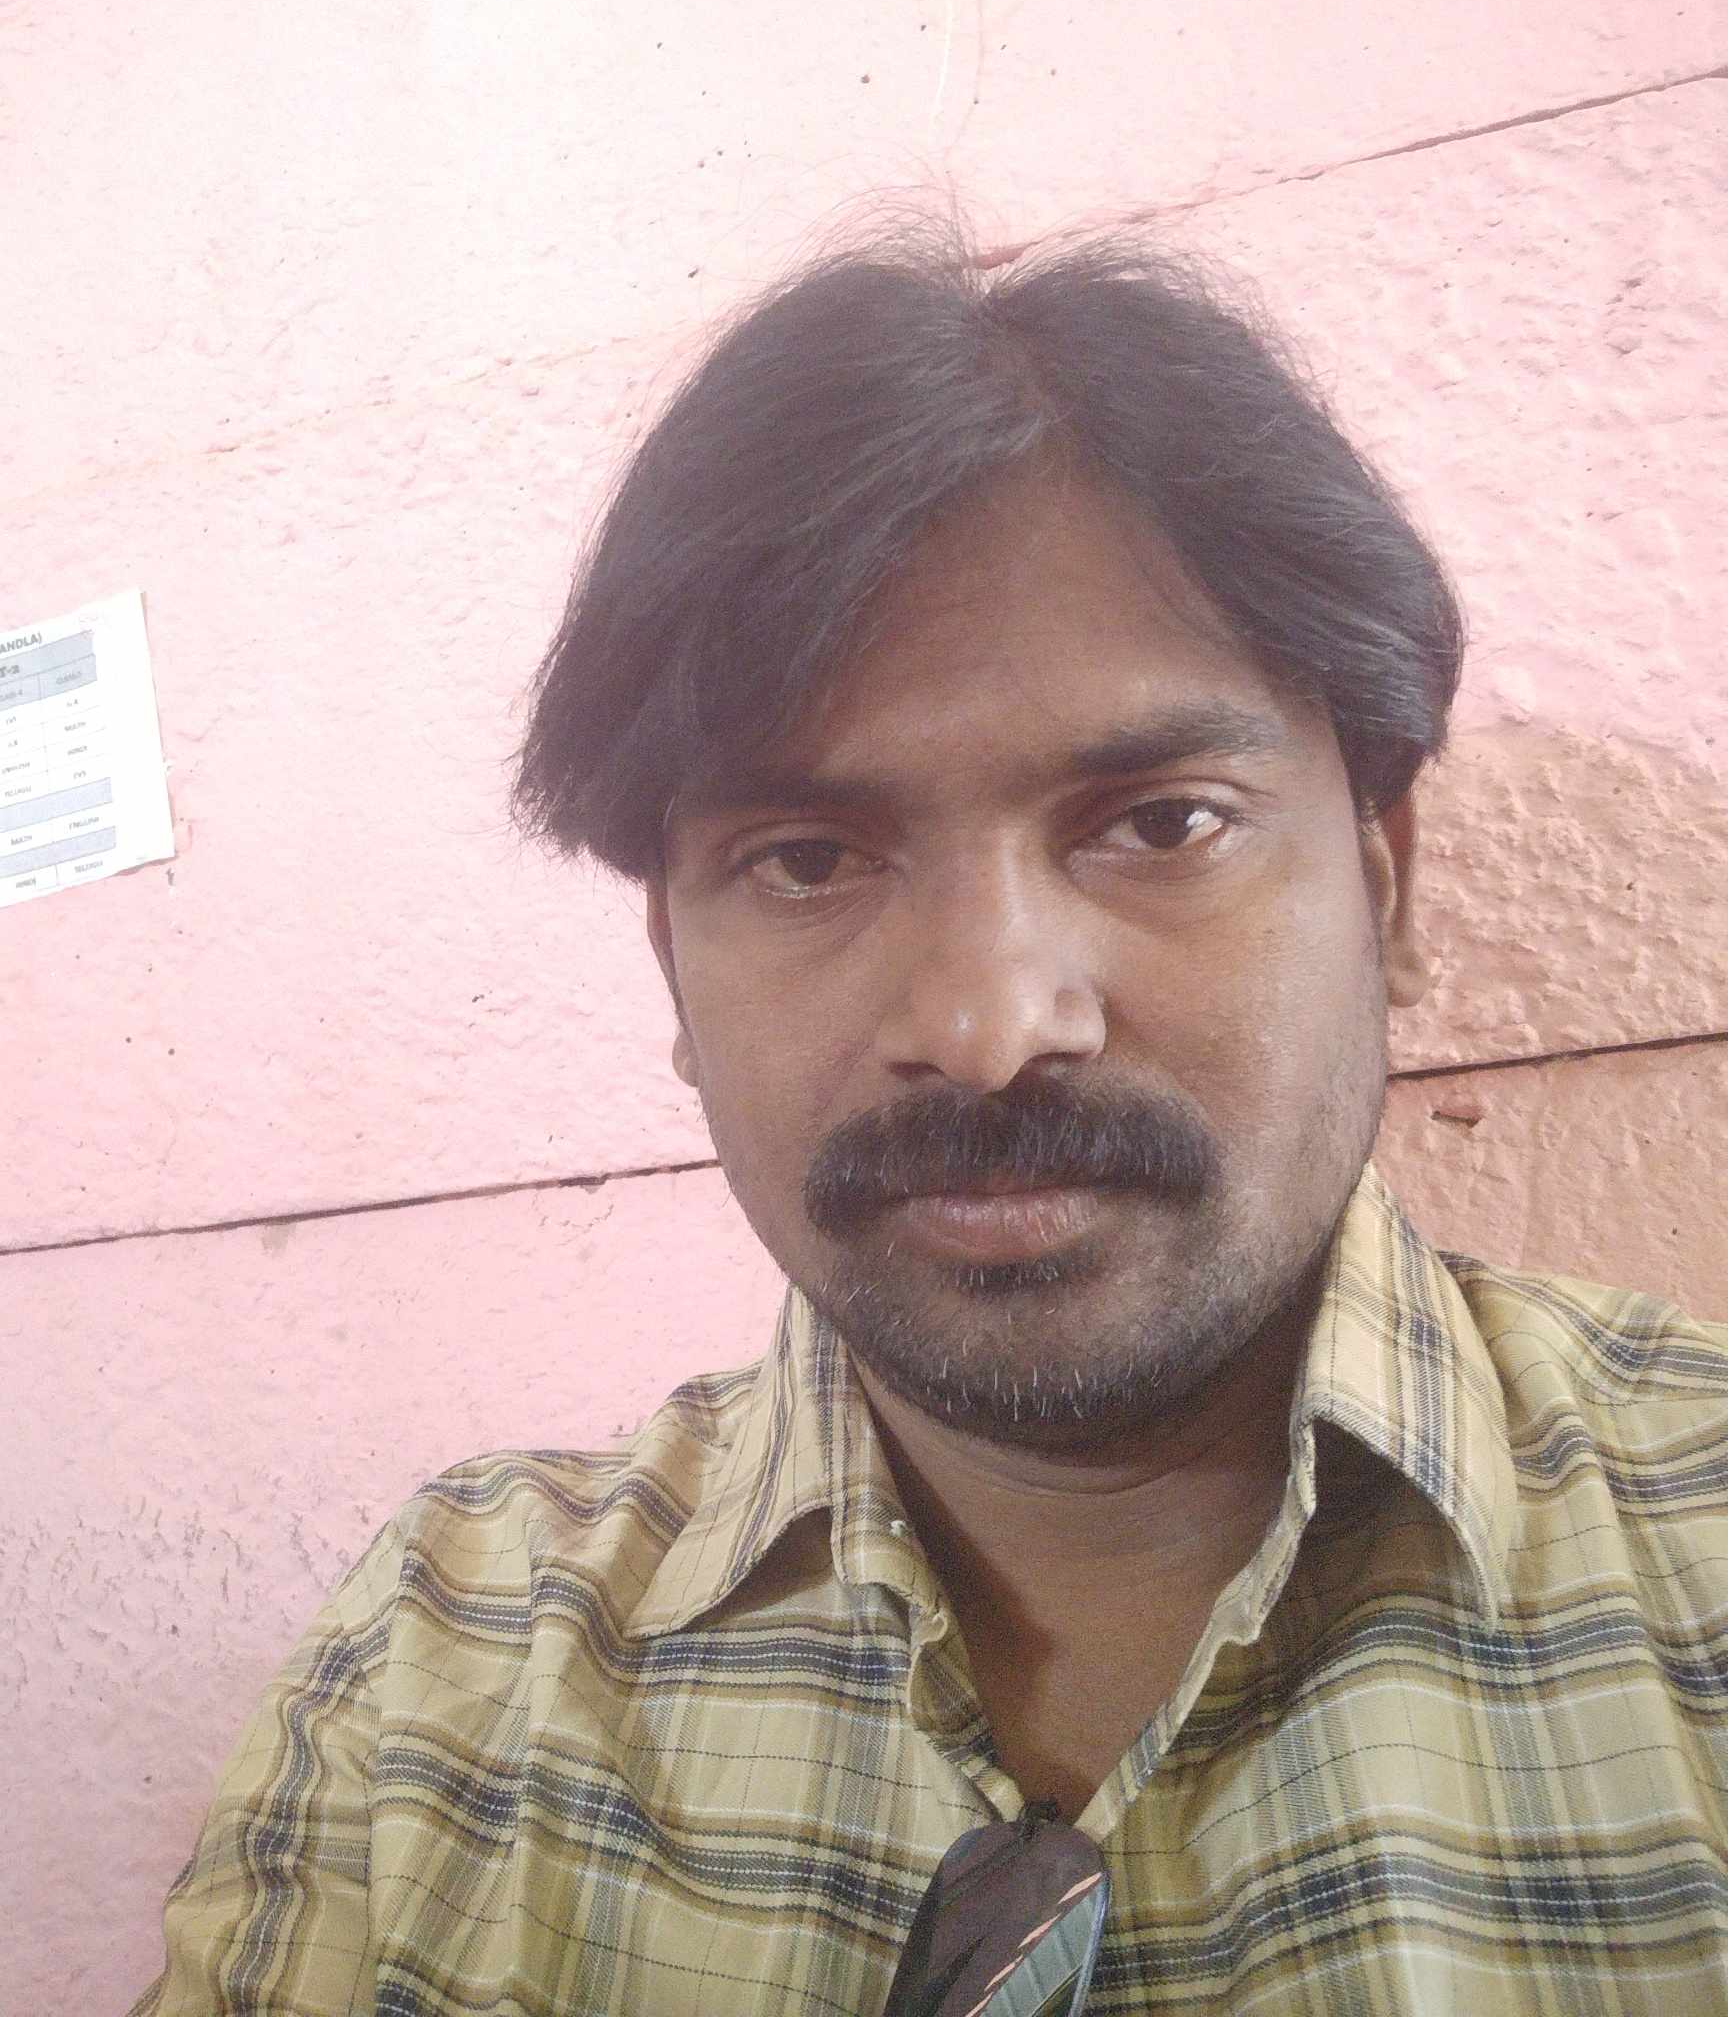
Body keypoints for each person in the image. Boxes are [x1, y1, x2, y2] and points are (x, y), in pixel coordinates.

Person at [132, 226, 1728, 2015]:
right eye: (807, 859)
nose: (987, 1031)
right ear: (673, 974)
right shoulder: (436, 1679)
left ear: (1386, 883)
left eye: (1161, 824)